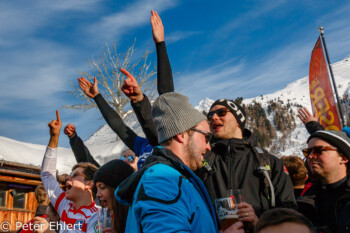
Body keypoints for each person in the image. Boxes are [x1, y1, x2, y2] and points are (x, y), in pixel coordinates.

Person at [115, 92, 243, 233]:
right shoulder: (162, 180)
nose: (208, 146)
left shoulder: (173, 177)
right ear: (181, 134)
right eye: (206, 137)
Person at [41, 110, 99, 232]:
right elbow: (47, 176)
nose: (68, 177)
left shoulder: (97, 216)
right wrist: (54, 137)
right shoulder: (65, 204)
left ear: (89, 183)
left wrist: (49, 231)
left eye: (75, 175)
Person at [298, 130, 350, 233]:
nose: (311, 156)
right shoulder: (305, 201)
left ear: (343, 158)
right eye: (308, 152)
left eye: (318, 150)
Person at [93, 159, 134, 233]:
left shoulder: (138, 217)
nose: (97, 194)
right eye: (97, 189)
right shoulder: (113, 217)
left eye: (102, 187)